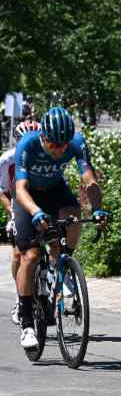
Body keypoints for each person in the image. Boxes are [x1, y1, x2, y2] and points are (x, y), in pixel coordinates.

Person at [12, 107, 108, 349]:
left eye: (64, 145)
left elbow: (89, 179)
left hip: (55, 189)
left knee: (73, 216)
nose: (60, 150)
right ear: (43, 137)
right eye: (54, 145)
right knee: (30, 255)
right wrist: (35, 212)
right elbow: (21, 188)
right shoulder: (28, 144)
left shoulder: (76, 142)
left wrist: (96, 209)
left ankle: (62, 263)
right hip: (28, 195)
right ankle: (26, 323)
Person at [2, 120, 40, 326]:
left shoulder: (44, 157)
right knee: (19, 252)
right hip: (16, 203)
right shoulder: (6, 160)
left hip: (39, 203)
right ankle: (20, 298)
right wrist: (12, 213)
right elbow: (2, 191)